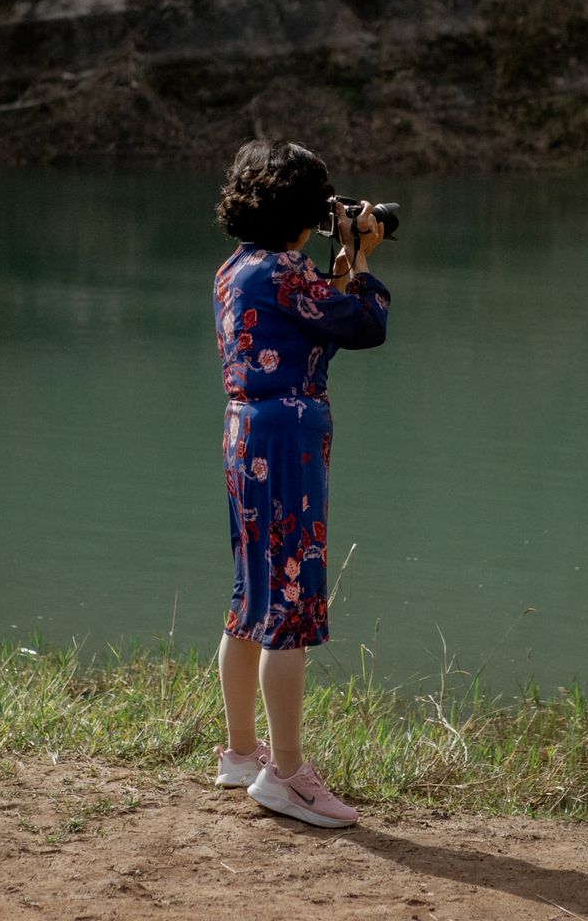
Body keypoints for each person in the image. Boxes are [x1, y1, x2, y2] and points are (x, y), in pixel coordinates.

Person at [211, 139, 391, 828]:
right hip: (287, 438)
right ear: (303, 212)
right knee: (288, 602)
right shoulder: (288, 272)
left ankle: (240, 753)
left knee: (252, 592)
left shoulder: (240, 267)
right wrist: (362, 260)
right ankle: (285, 776)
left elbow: (311, 317)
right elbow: (364, 325)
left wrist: (340, 262)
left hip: (245, 432)